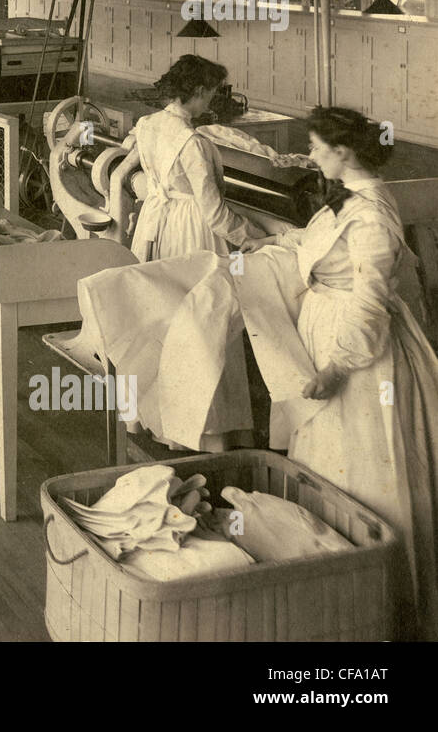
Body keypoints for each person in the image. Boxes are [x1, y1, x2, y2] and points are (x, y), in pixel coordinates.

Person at [271, 106, 438, 639]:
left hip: (362, 356)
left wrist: (338, 366)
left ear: (343, 153)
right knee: (329, 466)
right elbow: (328, 249)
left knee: (369, 473)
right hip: (333, 327)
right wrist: (278, 241)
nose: (312, 155)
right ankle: (336, 597)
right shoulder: (354, 197)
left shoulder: (371, 214)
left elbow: (369, 303)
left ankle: (379, 612)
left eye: (318, 147)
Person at [124, 55, 265, 262]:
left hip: (154, 221)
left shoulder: (145, 124)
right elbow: (215, 216)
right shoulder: (193, 143)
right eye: (211, 94)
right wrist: (260, 236)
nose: (210, 103)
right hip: (189, 231)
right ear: (199, 91)